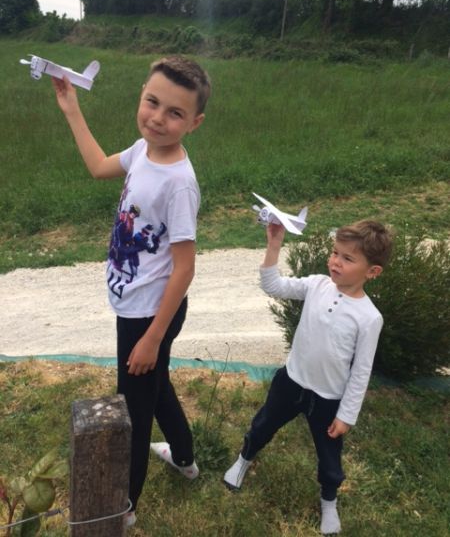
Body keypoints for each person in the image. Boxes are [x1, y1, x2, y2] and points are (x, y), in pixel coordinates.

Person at [52, 55, 211, 526]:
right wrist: (71, 108)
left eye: (175, 113)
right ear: (142, 94)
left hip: (150, 314)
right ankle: (184, 458)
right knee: (155, 387)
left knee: (135, 415)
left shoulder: (179, 184)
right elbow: (100, 166)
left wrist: (152, 338)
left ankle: (125, 510)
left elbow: (185, 268)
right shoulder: (143, 150)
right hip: (138, 306)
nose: (158, 118)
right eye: (153, 102)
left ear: (195, 123)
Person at [224, 219, 393, 535]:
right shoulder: (316, 285)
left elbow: (361, 371)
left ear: (372, 271)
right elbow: (273, 286)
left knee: (329, 458)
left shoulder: (370, 318)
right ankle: (244, 458)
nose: (335, 261)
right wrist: (274, 245)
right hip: (291, 382)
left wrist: (346, 415)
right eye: (335, 252)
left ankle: (329, 500)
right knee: (263, 424)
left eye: (347, 258)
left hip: (328, 399)